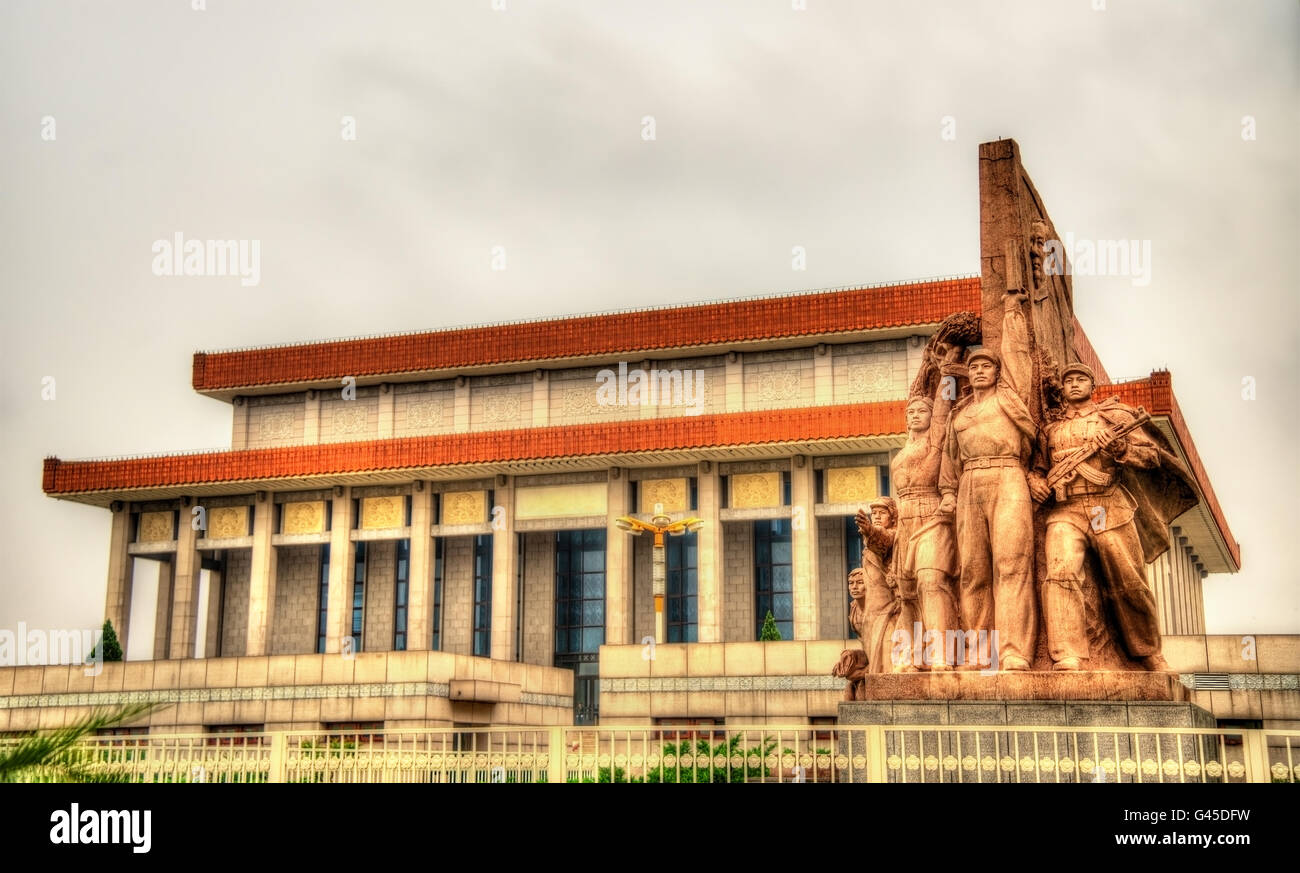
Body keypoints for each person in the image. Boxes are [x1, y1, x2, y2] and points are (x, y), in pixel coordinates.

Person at [1028, 362, 1196, 671]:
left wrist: (1120, 447)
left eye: (1081, 379)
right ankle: (1068, 654)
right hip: (1066, 510)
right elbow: (1038, 469)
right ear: (1063, 390)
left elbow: (1152, 456)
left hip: (1105, 507)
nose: (1074, 384)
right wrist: (1036, 482)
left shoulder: (1115, 418)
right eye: (1069, 381)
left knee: (1128, 578)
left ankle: (1148, 652)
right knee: (1060, 573)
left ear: (1092, 387)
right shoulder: (1050, 429)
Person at [938, 290, 1038, 670]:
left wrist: (1012, 307)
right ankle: (981, 653)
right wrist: (948, 492)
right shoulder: (960, 414)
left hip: (1008, 475)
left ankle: (1014, 651)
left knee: (1012, 564)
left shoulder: (1009, 399)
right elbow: (950, 461)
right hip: (969, 484)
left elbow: (1034, 437)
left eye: (987, 367)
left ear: (997, 372)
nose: (980, 371)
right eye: (975, 367)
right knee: (974, 572)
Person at [890, 341, 965, 670]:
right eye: (911, 412)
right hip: (905, 520)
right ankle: (909, 656)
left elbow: (944, 405)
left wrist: (948, 369)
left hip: (932, 517)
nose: (915, 415)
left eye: (921, 410)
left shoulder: (936, 441)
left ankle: (942, 653)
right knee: (906, 594)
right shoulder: (902, 452)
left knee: (931, 582)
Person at [856, 497, 913, 673]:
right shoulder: (868, 544)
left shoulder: (895, 536)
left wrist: (870, 531)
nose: (877, 517)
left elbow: (883, 540)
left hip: (888, 608)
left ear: (893, 516)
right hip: (872, 609)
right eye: (873, 513)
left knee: (887, 653)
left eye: (882, 513)